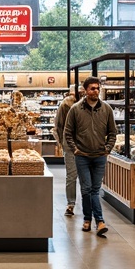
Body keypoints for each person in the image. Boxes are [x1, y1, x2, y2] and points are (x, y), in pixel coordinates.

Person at [64, 76, 117, 237]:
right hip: (83, 156)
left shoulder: (106, 109)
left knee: (94, 189)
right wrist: (76, 150)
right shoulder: (76, 109)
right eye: (92, 88)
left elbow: (113, 133)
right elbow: (68, 132)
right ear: (85, 90)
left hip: (100, 156)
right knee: (87, 189)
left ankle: (94, 221)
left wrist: (107, 148)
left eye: (97, 88)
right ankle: (94, 220)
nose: (96, 91)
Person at [52, 89, 80, 217]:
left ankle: (74, 204)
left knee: (73, 176)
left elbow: (58, 125)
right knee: (73, 175)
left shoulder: (92, 105)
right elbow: (59, 125)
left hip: (79, 145)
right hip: (72, 145)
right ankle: (71, 204)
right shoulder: (66, 105)